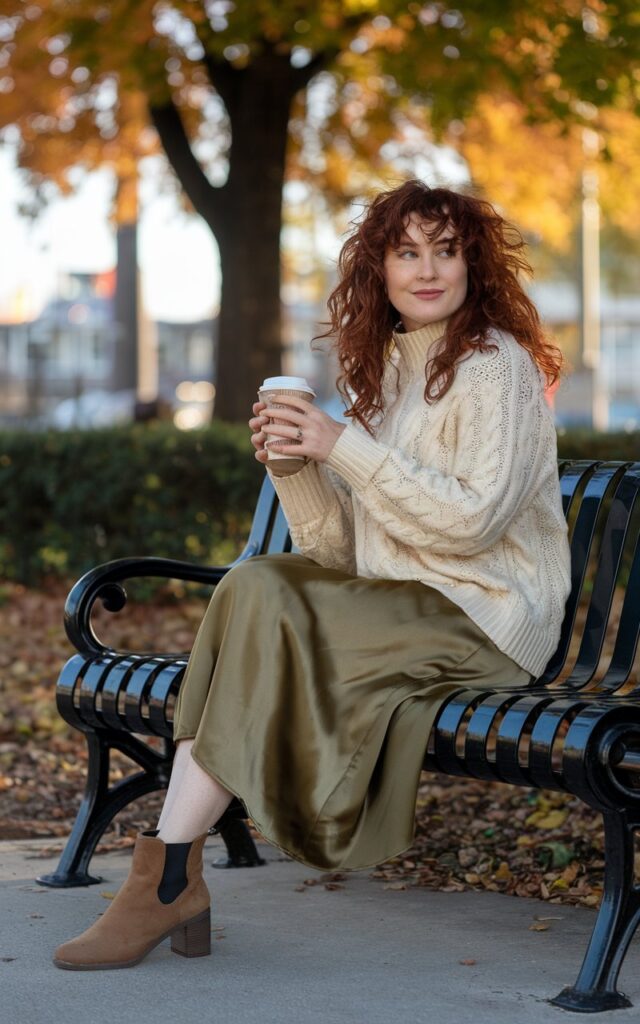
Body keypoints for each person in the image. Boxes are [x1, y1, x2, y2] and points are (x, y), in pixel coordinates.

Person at [53, 180, 571, 971]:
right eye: (406, 253)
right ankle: (170, 875)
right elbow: (340, 555)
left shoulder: (495, 364)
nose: (427, 270)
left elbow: (474, 524)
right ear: (381, 269)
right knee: (258, 584)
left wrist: (343, 447)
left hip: (483, 618)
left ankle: (163, 882)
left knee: (259, 593)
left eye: (445, 250)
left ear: (474, 264)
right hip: (400, 612)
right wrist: (296, 468)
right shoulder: (386, 374)